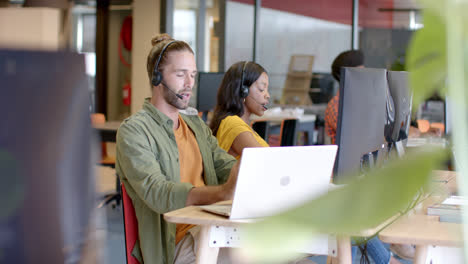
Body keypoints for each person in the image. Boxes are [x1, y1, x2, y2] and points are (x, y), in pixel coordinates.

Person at [116, 33, 240, 264]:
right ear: (156, 77)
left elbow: (224, 164)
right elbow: (157, 192)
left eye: (192, 74)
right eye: (180, 74)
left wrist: (247, 171)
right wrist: (221, 193)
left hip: (215, 229)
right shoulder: (134, 131)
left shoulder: (195, 126)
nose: (189, 83)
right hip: (179, 245)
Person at [324, 50, 406, 264]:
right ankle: (390, 257)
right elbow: (357, 135)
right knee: (355, 219)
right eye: (362, 71)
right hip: (343, 175)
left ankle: (392, 253)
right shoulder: (337, 104)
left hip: (361, 171)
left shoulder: (364, 102)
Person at [210, 61, 270, 159]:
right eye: (261, 89)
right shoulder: (234, 125)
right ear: (243, 91)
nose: (267, 95)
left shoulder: (242, 124)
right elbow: (266, 161)